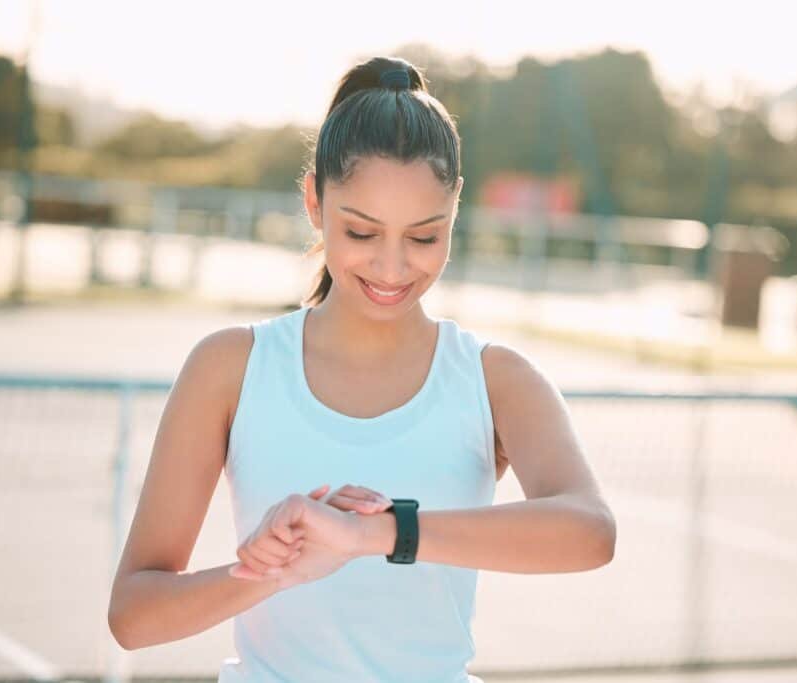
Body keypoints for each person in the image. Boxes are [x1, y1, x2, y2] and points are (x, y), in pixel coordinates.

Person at [107, 56, 616, 683]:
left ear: (455, 210)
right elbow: (134, 614)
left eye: (425, 237)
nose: (393, 267)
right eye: (362, 232)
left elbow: (591, 532)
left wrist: (373, 536)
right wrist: (277, 570)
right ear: (315, 201)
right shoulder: (231, 366)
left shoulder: (495, 379)